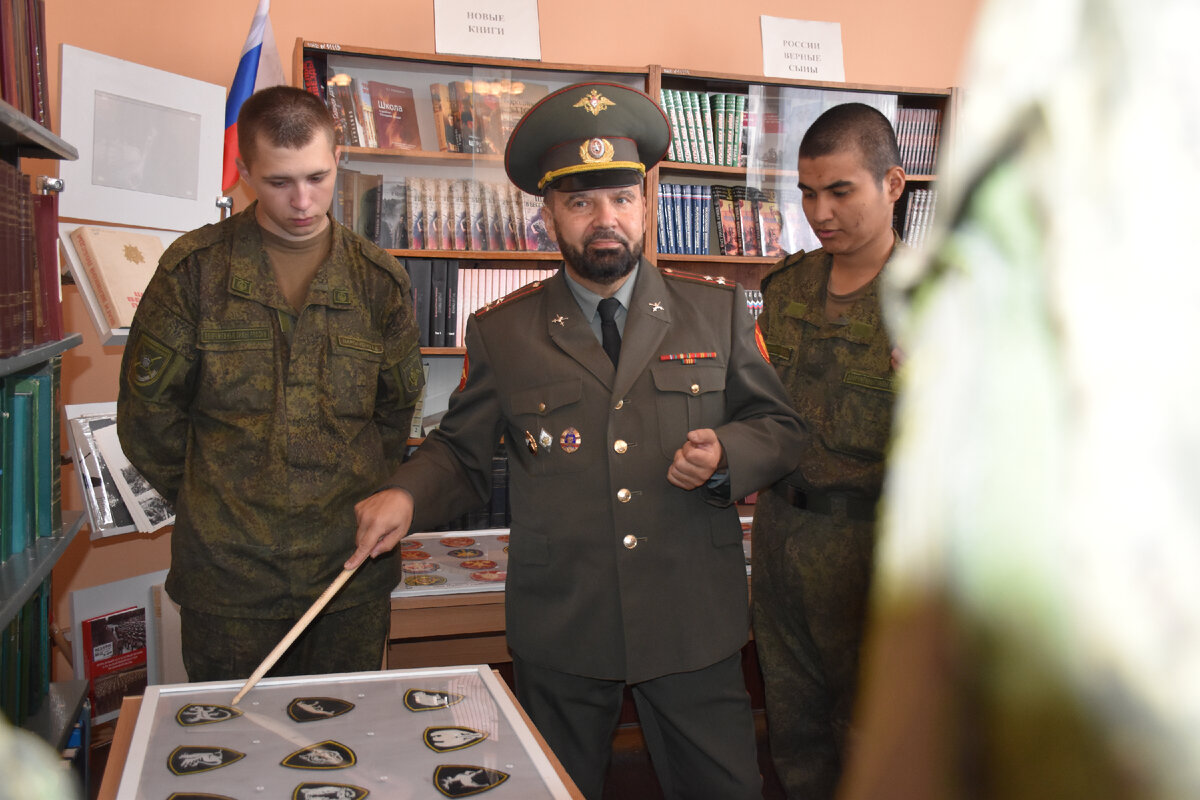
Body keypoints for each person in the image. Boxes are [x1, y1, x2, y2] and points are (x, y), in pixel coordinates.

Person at [349, 82, 804, 800]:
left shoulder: (713, 312)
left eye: (622, 198)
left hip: (691, 618)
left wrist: (727, 458)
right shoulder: (503, 332)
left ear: (647, 204)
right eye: (581, 202)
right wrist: (406, 493)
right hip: (564, 624)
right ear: (548, 215)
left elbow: (781, 429)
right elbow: (462, 455)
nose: (605, 219)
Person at [116, 85, 424, 682]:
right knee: (233, 753)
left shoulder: (379, 282)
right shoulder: (194, 271)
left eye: (317, 176)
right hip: (228, 578)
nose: (303, 201)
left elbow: (395, 416)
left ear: (339, 159)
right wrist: (217, 495)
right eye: (280, 182)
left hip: (347, 572)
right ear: (244, 172)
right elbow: (146, 418)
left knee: (346, 745)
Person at [749, 102, 906, 799]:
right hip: (782, 537)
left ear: (893, 183)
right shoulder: (786, 290)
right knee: (795, 734)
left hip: (876, 555)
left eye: (841, 190)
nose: (820, 211)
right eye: (808, 193)